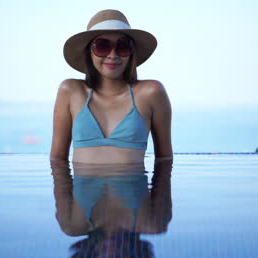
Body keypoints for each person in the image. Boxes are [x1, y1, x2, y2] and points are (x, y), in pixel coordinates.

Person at [51, 9, 172, 163]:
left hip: (133, 187)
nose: (113, 55)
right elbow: (57, 160)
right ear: (89, 52)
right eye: (102, 46)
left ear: (131, 52)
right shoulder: (70, 91)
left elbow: (165, 160)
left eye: (122, 46)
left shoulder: (151, 93)